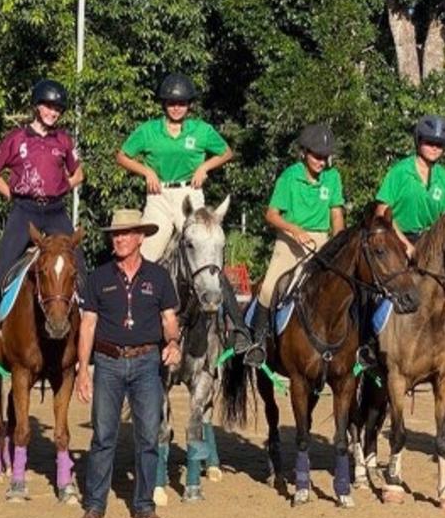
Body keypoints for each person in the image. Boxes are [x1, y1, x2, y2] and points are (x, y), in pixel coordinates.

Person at [116, 73, 260, 362]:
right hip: (159, 198)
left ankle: (238, 331)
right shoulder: (148, 130)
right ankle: (128, 324)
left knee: (209, 255)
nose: (176, 107)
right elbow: (122, 155)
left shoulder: (202, 130)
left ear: (189, 105)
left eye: (181, 103)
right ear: (164, 104)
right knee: (142, 256)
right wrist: (146, 172)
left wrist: (206, 167)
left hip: (191, 196)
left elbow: (227, 152)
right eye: (171, 102)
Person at [0, 78, 84, 372]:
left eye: (57, 108)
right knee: (3, 268)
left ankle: (91, 336)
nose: (52, 112)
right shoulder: (15, 139)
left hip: (56, 211)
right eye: (47, 106)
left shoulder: (64, 141)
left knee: (80, 268)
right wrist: (12, 195)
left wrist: (60, 187)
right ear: (37, 106)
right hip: (24, 211)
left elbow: (79, 174)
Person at [76, 209, 181, 518]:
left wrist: (173, 342)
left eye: (125, 233)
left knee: (148, 436)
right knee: (103, 436)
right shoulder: (98, 277)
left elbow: (169, 319)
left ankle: (144, 505)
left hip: (147, 363)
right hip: (107, 363)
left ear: (140, 237)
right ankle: (95, 505)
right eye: (115, 234)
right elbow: (88, 325)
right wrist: (83, 370)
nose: (119, 238)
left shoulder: (159, 277)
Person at [371, 114, 445, 370]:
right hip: (397, 238)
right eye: (429, 142)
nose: (434, 147)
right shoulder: (399, 172)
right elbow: (382, 211)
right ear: (418, 141)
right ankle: (367, 343)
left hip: (434, 244)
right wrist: (405, 244)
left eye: (439, 144)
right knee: (377, 286)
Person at [250, 124, 345, 332]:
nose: (321, 162)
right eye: (317, 156)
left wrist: (339, 242)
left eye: (325, 157)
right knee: (268, 288)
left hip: (322, 239)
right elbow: (271, 214)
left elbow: (336, 214)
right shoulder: (289, 177)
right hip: (290, 239)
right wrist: (294, 229)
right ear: (304, 153)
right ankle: (255, 343)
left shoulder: (333, 177)